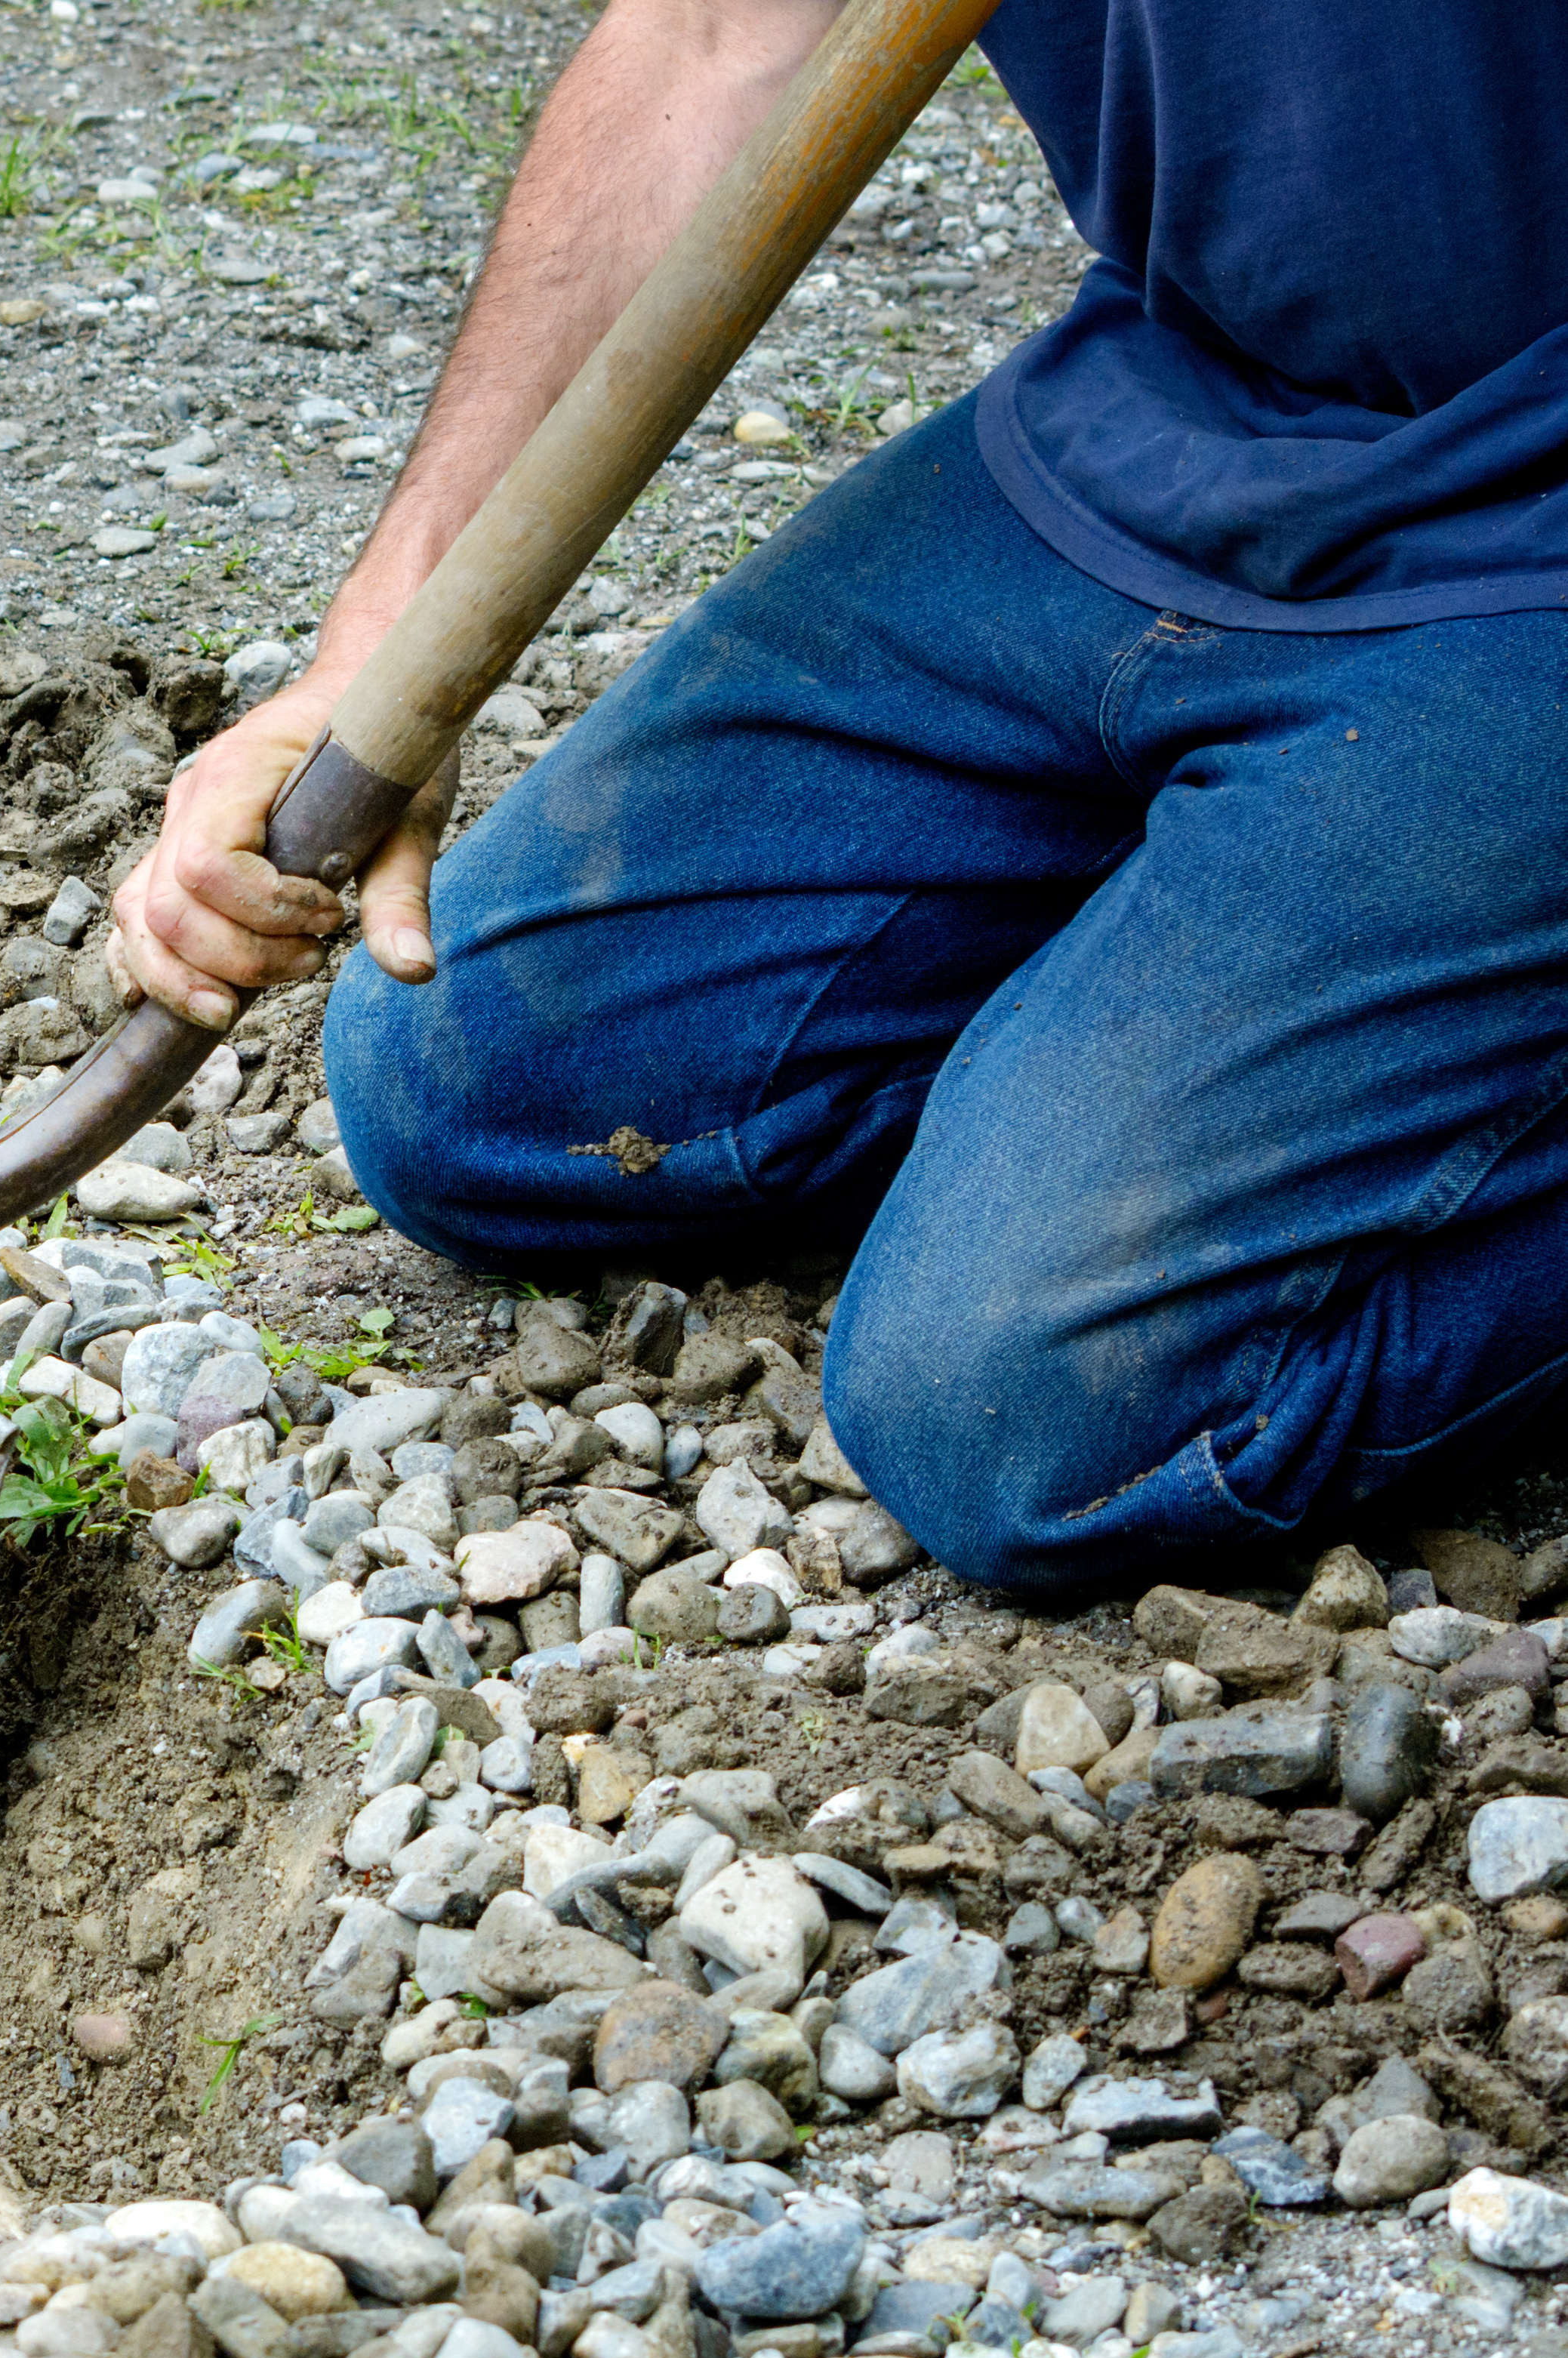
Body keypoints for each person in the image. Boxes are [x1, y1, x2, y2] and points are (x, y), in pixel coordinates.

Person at [109, 0, 1568, 1599]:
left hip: (1533, 543)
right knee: (463, 1074)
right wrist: (374, 664)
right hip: (1177, 407)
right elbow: (713, 37)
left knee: (1018, 1421)